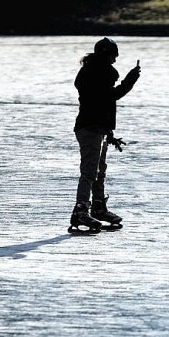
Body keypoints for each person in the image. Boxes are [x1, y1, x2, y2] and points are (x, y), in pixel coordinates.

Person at [69, 37, 141, 232]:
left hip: (98, 129)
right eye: (113, 57)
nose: (115, 61)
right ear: (105, 55)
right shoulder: (94, 74)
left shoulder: (96, 73)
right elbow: (109, 97)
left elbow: (105, 104)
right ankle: (80, 210)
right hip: (89, 129)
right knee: (89, 172)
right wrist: (130, 80)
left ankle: (98, 207)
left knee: (99, 171)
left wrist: (108, 133)